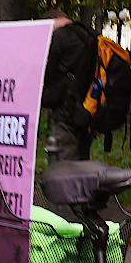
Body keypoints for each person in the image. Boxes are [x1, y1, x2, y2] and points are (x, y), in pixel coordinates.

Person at [41, 10, 97, 160]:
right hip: (87, 108)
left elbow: (46, 73)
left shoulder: (60, 36)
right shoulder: (87, 34)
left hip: (66, 111)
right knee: (83, 160)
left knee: (64, 166)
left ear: (51, 21)